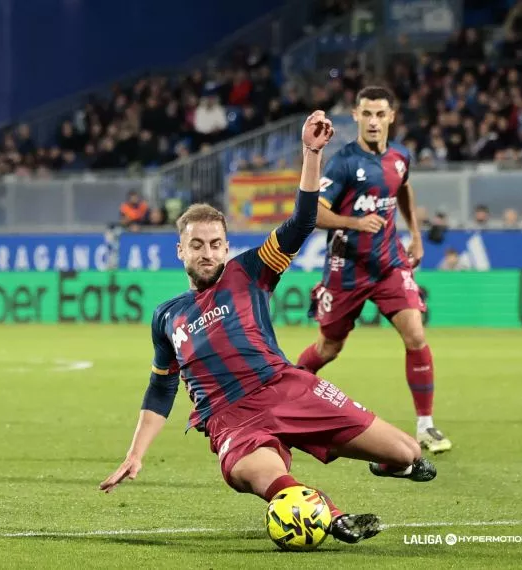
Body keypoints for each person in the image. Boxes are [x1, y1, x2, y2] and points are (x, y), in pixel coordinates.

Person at [99, 111, 436, 545]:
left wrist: (311, 154)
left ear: (227, 247)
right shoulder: (168, 315)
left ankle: (392, 463)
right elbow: (161, 389)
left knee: (408, 452)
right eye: (197, 245)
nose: (207, 253)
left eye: (216, 244)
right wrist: (135, 454)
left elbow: (301, 222)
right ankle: (332, 517)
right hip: (231, 420)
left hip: (287, 387)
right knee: (262, 476)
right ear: (179, 249)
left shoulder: (251, 270)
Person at [294, 86, 453, 454]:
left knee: (415, 334)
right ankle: (284, 393)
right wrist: (353, 223)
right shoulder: (343, 163)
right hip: (346, 268)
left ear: (392, 117)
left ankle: (426, 426)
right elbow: (314, 213)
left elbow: (404, 189)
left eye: (380, 114)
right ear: (356, 116)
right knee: (329, 347)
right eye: (367, 114)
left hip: (389, 264)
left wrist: (415, 235)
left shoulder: (400, 157)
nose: (373, 121)